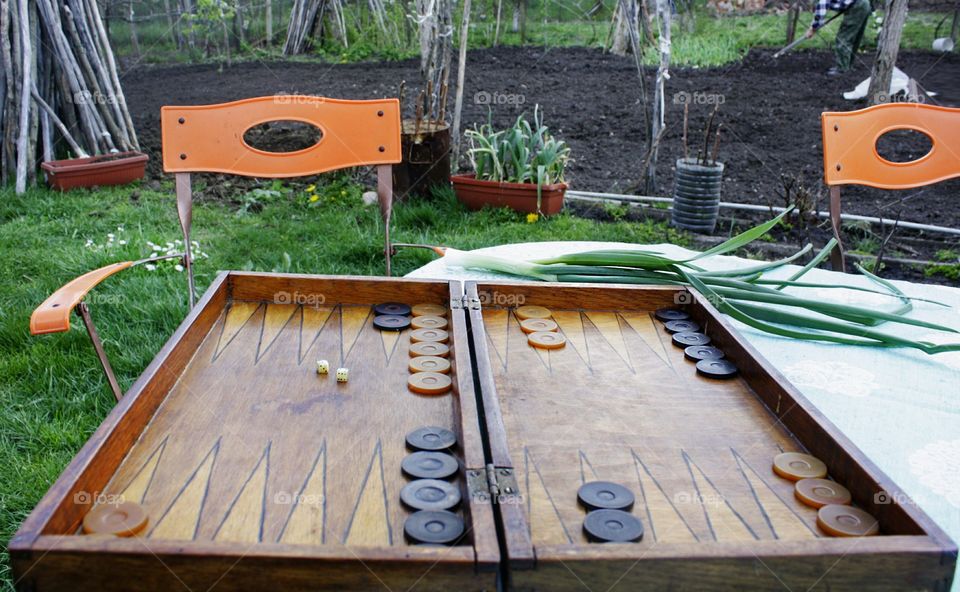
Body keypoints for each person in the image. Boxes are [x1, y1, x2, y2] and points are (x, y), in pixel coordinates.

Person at [805, 0, 873, 76]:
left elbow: (820, 11)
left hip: (857, 6)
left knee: (843, 38)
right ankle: (848, 66)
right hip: (864, 4)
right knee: (854, 38)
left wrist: (812, 29)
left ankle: (842, 69)